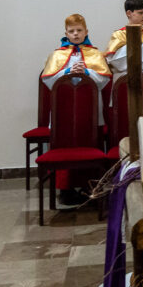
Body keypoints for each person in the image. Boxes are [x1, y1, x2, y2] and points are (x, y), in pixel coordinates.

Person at [42, 13, 112, 206]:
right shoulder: (57, 55)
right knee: (65, 147)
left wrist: (87, 72)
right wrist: (67, 72)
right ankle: (66, 190)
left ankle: (90, 187)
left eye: (79, 30)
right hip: (64, 109)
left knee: (89, 143)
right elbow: (49, 80)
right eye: (71, 31)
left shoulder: (95, 54)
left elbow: (103, 79)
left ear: (86, 31)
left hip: (89, 109)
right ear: (66, 33)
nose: (75, 34)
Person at [104, 0, 143, 102]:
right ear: (129, 13)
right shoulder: (118, 35)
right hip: (123, 78)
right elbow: (114, 61)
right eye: (140, 12)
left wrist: (135, 48)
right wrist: (138, 47)